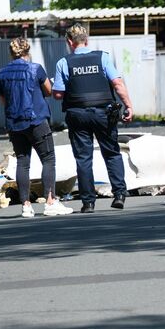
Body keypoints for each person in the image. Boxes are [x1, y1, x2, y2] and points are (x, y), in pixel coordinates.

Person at [52, 23, 134, 213]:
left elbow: (57, 95)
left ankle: (88, 202)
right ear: (87, 40)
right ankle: (120, 194)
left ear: (70, 42)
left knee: (83, 158)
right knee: (112, 152)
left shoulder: (64, 63)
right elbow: (118, 84)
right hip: (104, 114)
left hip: (78, 114)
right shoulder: (103, 58)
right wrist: (128, 105)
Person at [0, 37, 74, 218]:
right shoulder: (35, 68)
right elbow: (49, 91)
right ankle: (51, 201)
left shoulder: (1, 73)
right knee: (48, 159)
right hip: (37, 120)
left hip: (14, 123)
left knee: (23, 162)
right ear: (27, 52)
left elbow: (3, 100)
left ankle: (25, 205)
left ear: (11, 53)